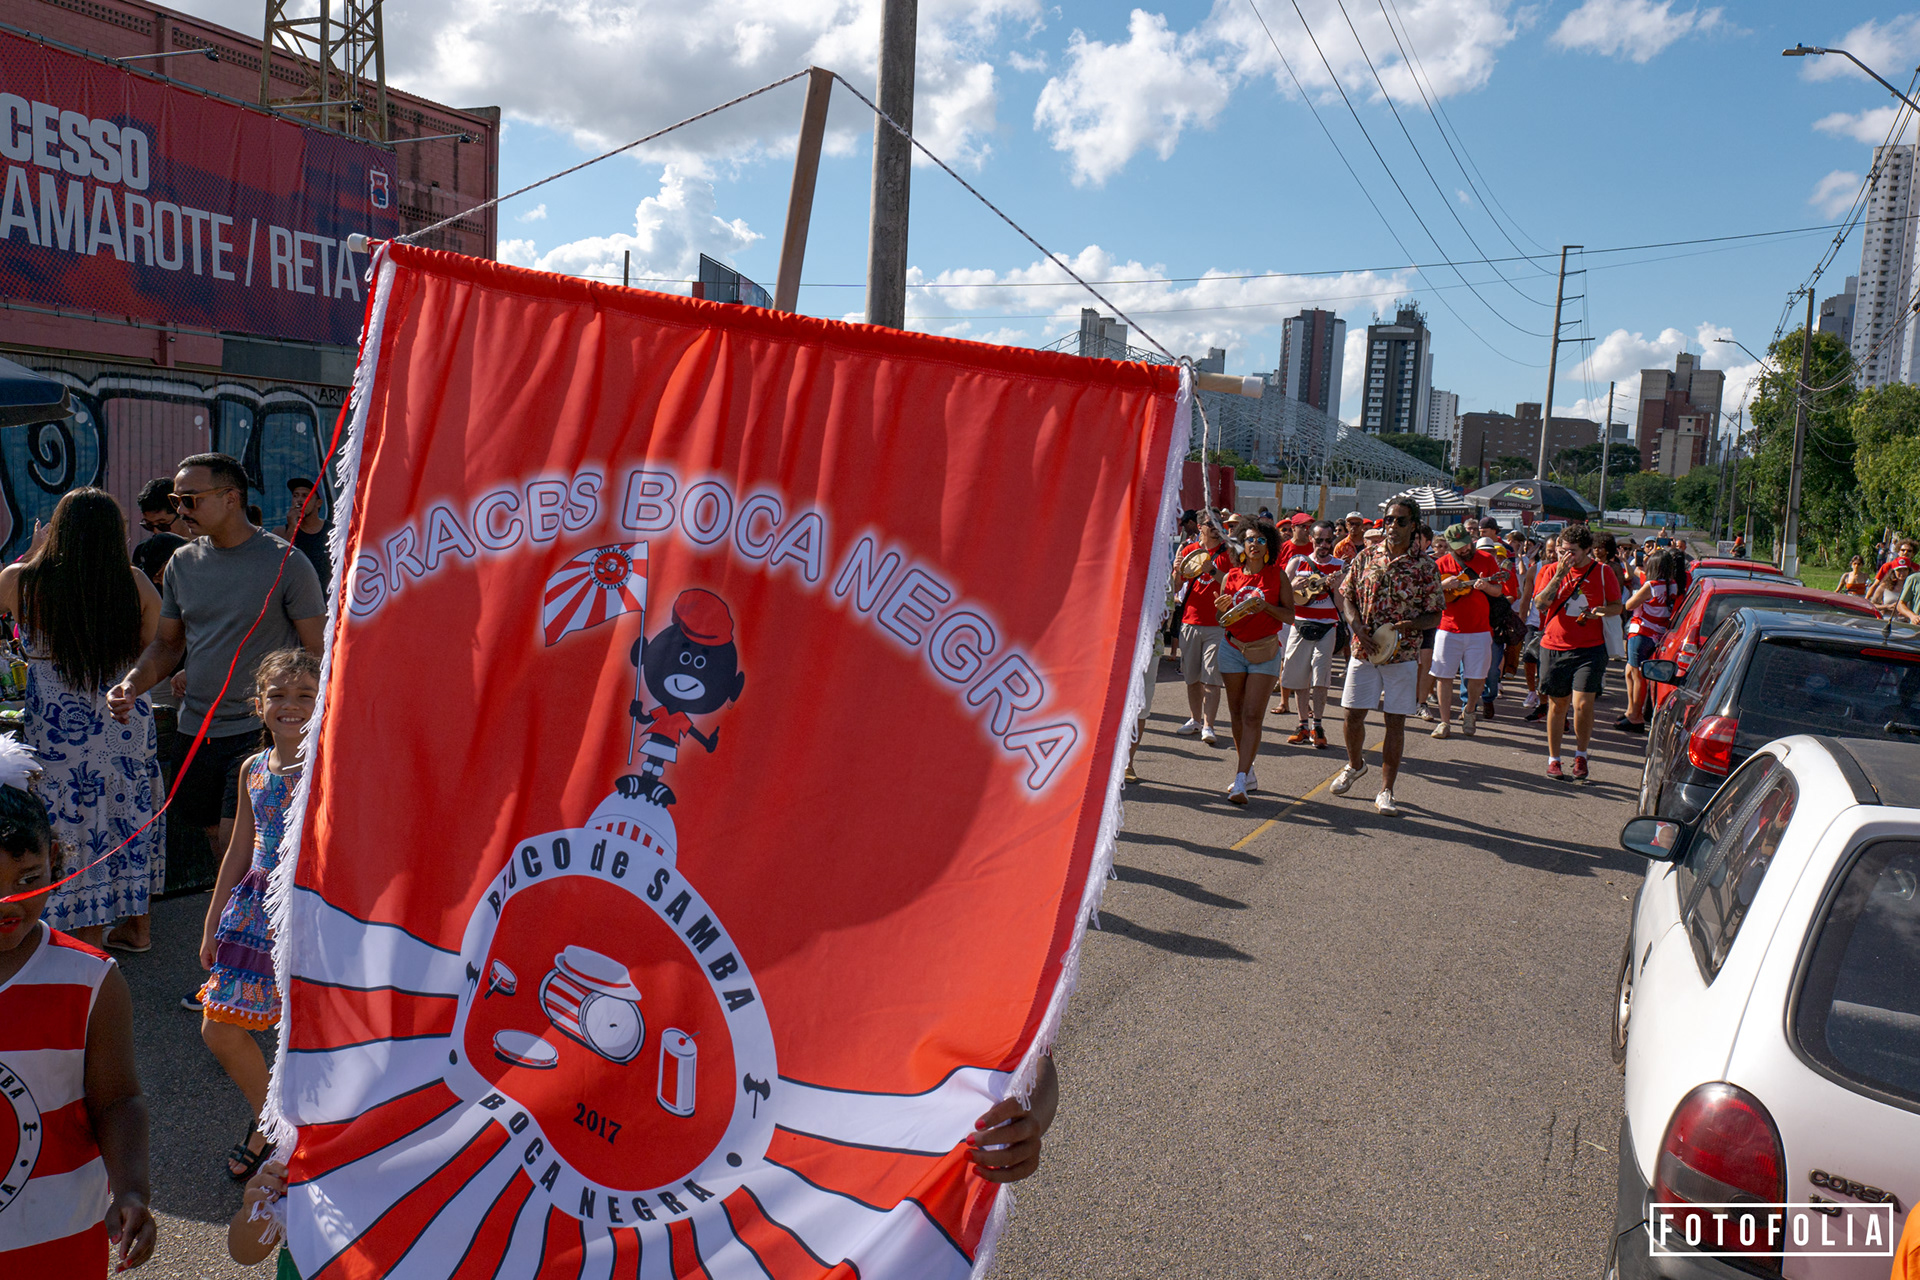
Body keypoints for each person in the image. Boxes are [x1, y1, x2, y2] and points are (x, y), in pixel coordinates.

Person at [106, 454, 326, 878]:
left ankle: (247, 918)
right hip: (197, 728)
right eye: (177, 500)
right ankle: (240, 914)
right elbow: (167, 645)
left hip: (257, 730)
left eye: (190, 500)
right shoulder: (182, 563)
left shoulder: (287, 562)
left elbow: (317, 651)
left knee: (235, 843)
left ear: (231, 498)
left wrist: (299, 718)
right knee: (214, 839)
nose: (181, 511)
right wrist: (132, 684)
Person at [0, 742, 155, 1274]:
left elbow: (117, 1100)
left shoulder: (90, 980)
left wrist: (132, 1191)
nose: (9, 901)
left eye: (28, 879)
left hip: (58, 1242)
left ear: (55, 861)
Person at [0, 489, 166, 953]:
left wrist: (31, 553)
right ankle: (137, 927)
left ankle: (84, 934)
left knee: (71, 820)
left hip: (59, 732)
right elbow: (159, 647)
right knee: (128, 815)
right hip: (124, 718)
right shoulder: (134, 583)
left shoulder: (22, 580)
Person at [199, 648, 319, 1180]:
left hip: (313, 908)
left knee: (308, 1029)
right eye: (278, 694)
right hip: (253, 911)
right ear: (258, 705)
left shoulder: (330, 764)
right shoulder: (252, 768)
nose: (290, 704)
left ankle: (310, 1131)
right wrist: (212, 922)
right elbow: (238, 850)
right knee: (218, 1027)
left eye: (305, 695)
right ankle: (270, 1119)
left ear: (324, 702)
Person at [1330, 497, 1442, 815]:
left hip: (1401, 654)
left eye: (1400, 521)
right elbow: (1347, 597)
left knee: (1394, 722)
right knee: (1352, 715)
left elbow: (1435, 614)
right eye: (1388, 520)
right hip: (1363, 650)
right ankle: (1355, 765)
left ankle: (1386, 790)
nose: (1392, 526)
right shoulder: (1366, 556)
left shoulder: (1425, 567)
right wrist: (1356, 626)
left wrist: (1410, 625)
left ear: (1414, 525)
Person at [1531, 524, 1624, 781]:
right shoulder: (1551, 570)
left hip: (1590, 648)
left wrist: (1601, 611)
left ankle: (1581, 754)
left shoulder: (1603, 572)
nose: (1565, 556)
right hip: (1555, 645)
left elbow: (1617, 606)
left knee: (1582, 704)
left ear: (1587, 550)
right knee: (1557, 704)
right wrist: (1559, 575)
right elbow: (1540, 604)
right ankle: (1554, 759)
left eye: (1571, 551)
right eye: (1562, 551)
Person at [1213, 522, 1294, 804]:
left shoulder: (1277, 575)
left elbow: (1290, 615)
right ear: (1241, 546)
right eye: (1249, 540)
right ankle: (1247, 771)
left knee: (1251, 716)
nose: (1254, 545)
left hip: (1264, 651)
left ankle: (1240, 780)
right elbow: (1223, 620)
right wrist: (1221, 610)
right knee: (1236, 714)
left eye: (1261, 540)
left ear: (1269, 545)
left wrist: (1266, 607)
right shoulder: (1230, 576)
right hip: (1232, 648)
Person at [1429, 523, 1514, 739]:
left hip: (1480, 629)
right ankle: (1444, 722)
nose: (1465, 549)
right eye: (1459, 546)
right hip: (1448, 628)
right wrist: (1444, 586)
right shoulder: (1440, 564)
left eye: (1467, 544)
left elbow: (1498, 591)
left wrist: (1486, 587)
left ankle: (1469, 711)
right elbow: (1428, 594)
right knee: (1444, 676)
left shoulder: (1486, 560)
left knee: (1477, 677)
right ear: (1450, 546)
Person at [1280, 521, 1344, 748]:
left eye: (1328, 540)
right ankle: (1302, 725)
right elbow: (1280, 595)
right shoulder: (1297, 562)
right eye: (1319, 540)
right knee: (1299, 677)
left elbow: (1341, 606)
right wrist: (1292, 587)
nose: (1324, 545)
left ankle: (1318, 725)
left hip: (1327, 627)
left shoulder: (1340, 566)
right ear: (1311, 539)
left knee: (1321, 678)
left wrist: (1336, 587)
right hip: (1300, 625)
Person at [1172, 519, 1231, 744]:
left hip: (1217, 625)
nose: (1215, 526)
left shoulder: (1228, 552)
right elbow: (1176, 586)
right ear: (1200, 527)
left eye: (1218, 522)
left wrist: (1212, 570)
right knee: (1192, 677)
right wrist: (1177, 570)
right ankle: (1195, 720)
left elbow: (1233, 584)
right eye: (1209, 522)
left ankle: (1209, 725)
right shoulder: (1189, 550)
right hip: (1190, 621)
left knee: (1212, 678)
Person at [1618, 548, 1682, 733]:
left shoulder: (1651, 585)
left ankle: (1635, 716)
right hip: (1657, 633)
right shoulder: (1672, 585)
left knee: (1636, 675)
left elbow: (1629, 605)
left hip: (1641, 631)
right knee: (1630, 671)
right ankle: (1631, 710)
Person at [1271, 514, 1315, 717]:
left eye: (1310, 526)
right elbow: (1274, 578)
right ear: (1294, 528)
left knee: (1305, 660)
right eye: (1303, 526)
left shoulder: (1315, 548)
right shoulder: (1283, 549)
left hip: (1309, 611)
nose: (1307, 530)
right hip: (1287, 611)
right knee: (1285, 658)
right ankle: (1284, 701)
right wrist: (1289, 587)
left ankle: (1305, 704)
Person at [281, 478, 332, 588]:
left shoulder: (332, 532)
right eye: (295, 496)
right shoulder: (281, 532)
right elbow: (282, 564)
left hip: (327, 595)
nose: (299, 500)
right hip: (298, 594)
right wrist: (292, 526)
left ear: (318, 503)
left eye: (305, 496)